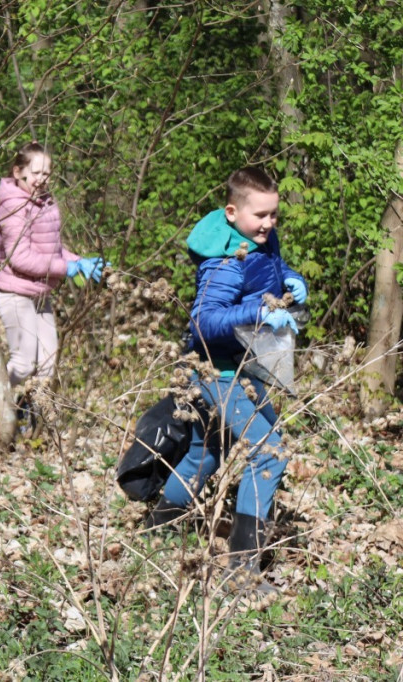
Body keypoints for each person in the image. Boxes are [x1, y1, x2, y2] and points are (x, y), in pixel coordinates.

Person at [147, 167, 307, 600]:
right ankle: (241, 574)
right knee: (269, 454)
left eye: (275, 215)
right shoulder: (223, 261)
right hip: (218, 373)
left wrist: (292, 279)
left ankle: (155, 530)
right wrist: (259, 313)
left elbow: (269, 271)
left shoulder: (259, 239)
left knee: (205, 451)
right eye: (261, 216)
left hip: (243, 367)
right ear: (233, 212)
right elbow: (204, 321)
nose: (270, 224)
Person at [0, 142, 106, 440]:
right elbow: (19, 257)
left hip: (40, 292)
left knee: (47, 363)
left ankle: (31, 426)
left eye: (47, 172)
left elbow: (52, 249)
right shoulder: (11, 202)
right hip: (15, 292)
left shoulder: (43, 199)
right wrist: (65, 268)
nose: (42, 178)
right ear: (18, 171)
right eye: (36, 172)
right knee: (22, 364)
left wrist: (79, 262)